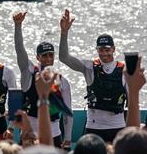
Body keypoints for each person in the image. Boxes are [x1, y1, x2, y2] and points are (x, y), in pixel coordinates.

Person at [59, 9, 126, 143]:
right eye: (101, 50)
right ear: (97, 50)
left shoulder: (124, 69)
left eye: (107, 50)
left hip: (117, 126)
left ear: (114, 49)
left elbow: (133, 98)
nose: (104, 54)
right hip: (94, 127)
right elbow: (64, 57)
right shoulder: (89, 68)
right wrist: (64, 32)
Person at [13, 11, 73, 148]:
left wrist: (68, 138)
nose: (48, 59)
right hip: (31, 136)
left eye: (51, 55)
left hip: (55, 135)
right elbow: (20, 51)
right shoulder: (29, 74)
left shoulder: (62, 82)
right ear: (38, 58)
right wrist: (17, 26)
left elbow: (68, 112)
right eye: (44, 56)